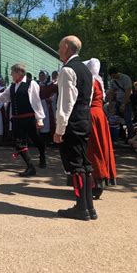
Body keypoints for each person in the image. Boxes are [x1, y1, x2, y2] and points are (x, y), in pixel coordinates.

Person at [53, 35, 96, 221]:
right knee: (84, 163)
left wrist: (59, 129)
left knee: (76, 165)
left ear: (67, 47)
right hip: (84, 118)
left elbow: (66, 103)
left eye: (60, 46)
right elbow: (88, 97)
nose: (58, 49)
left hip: (73, 121)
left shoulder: (67, 70)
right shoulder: (87, 71)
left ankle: (81, 208)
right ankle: (89, 207)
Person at [0, 64, 47, 176]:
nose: (11, 74)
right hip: (17, 120)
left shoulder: (31, 83)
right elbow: (2, 97)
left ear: (19, 72)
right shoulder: (12, 86)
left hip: (29, 118)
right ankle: (30, 166)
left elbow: (36, 102)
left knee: (36, 139)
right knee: (19, 143)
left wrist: (40, 119)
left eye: (12, 72)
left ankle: (42, 154)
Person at [84, 58, 116, 200]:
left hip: (91, 114)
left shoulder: (90, 80)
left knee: (92, 148)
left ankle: (94, 182)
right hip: (100, 115)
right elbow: (103, 99)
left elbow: (88, 99)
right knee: (101, 146)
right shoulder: (99, 80)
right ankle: (99, 181)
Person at [107, 66, 134, 139]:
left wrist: (123, 104)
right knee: (116, 118)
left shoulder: (125, 78)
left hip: (127, 101)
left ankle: (131, 137)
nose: (112, 77)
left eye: (113, 75)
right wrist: (110, 103)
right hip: (118, 101)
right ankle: (121, 135)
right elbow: (111, 92)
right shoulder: (113, 81)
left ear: (116, 73)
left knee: (128, 120)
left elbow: (128, 92)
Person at [38, 70, 58, 143]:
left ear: (46, 76)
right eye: (40, 75)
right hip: (39, 106)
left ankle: (49, 138)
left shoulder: (51, 85)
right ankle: (41, 139)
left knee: (48, 122)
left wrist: (50, 98)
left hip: (47, 106)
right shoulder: (38, 85)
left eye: (43, 75)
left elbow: (55, 93)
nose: (41, 77)